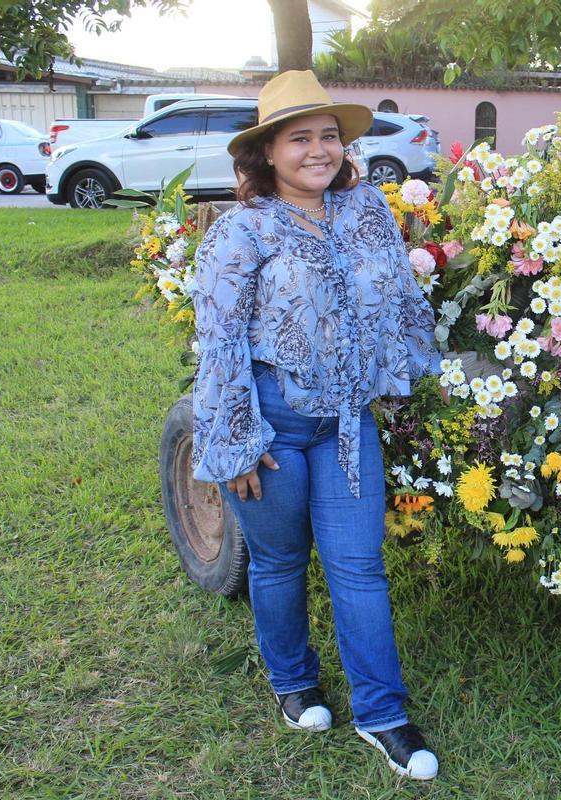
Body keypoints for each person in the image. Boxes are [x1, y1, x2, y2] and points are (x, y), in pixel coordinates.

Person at [191, 70, 441, 780]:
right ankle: (292, 681)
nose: (318, 149)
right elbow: (220, 339)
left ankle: (383, 714)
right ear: (266, 153)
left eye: (329, 135)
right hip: (271, 423)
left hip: (346, 425)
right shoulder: (243, 230)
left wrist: (404, 373)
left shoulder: (366, 212)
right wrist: (234, 435)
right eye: (299, 137)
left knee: (359, 567)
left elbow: (400, 298)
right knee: (278, 562)